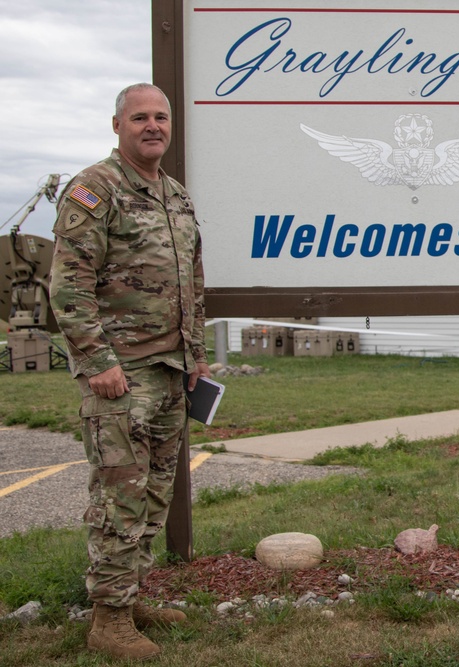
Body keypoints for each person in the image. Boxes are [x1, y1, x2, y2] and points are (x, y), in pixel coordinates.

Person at [49, 83, 210, 660]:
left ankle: (131, 594)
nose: (152, 126)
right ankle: (108, 620)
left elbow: (190, 280)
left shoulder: (174, 195)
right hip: (121, 375)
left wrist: (195, 354)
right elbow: (68, 284)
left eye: (161, 117)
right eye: (140, 116)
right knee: (120, 496)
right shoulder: (96, 189)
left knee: (155, 493)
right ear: (117, 125)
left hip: (170, 372)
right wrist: (97, 363)